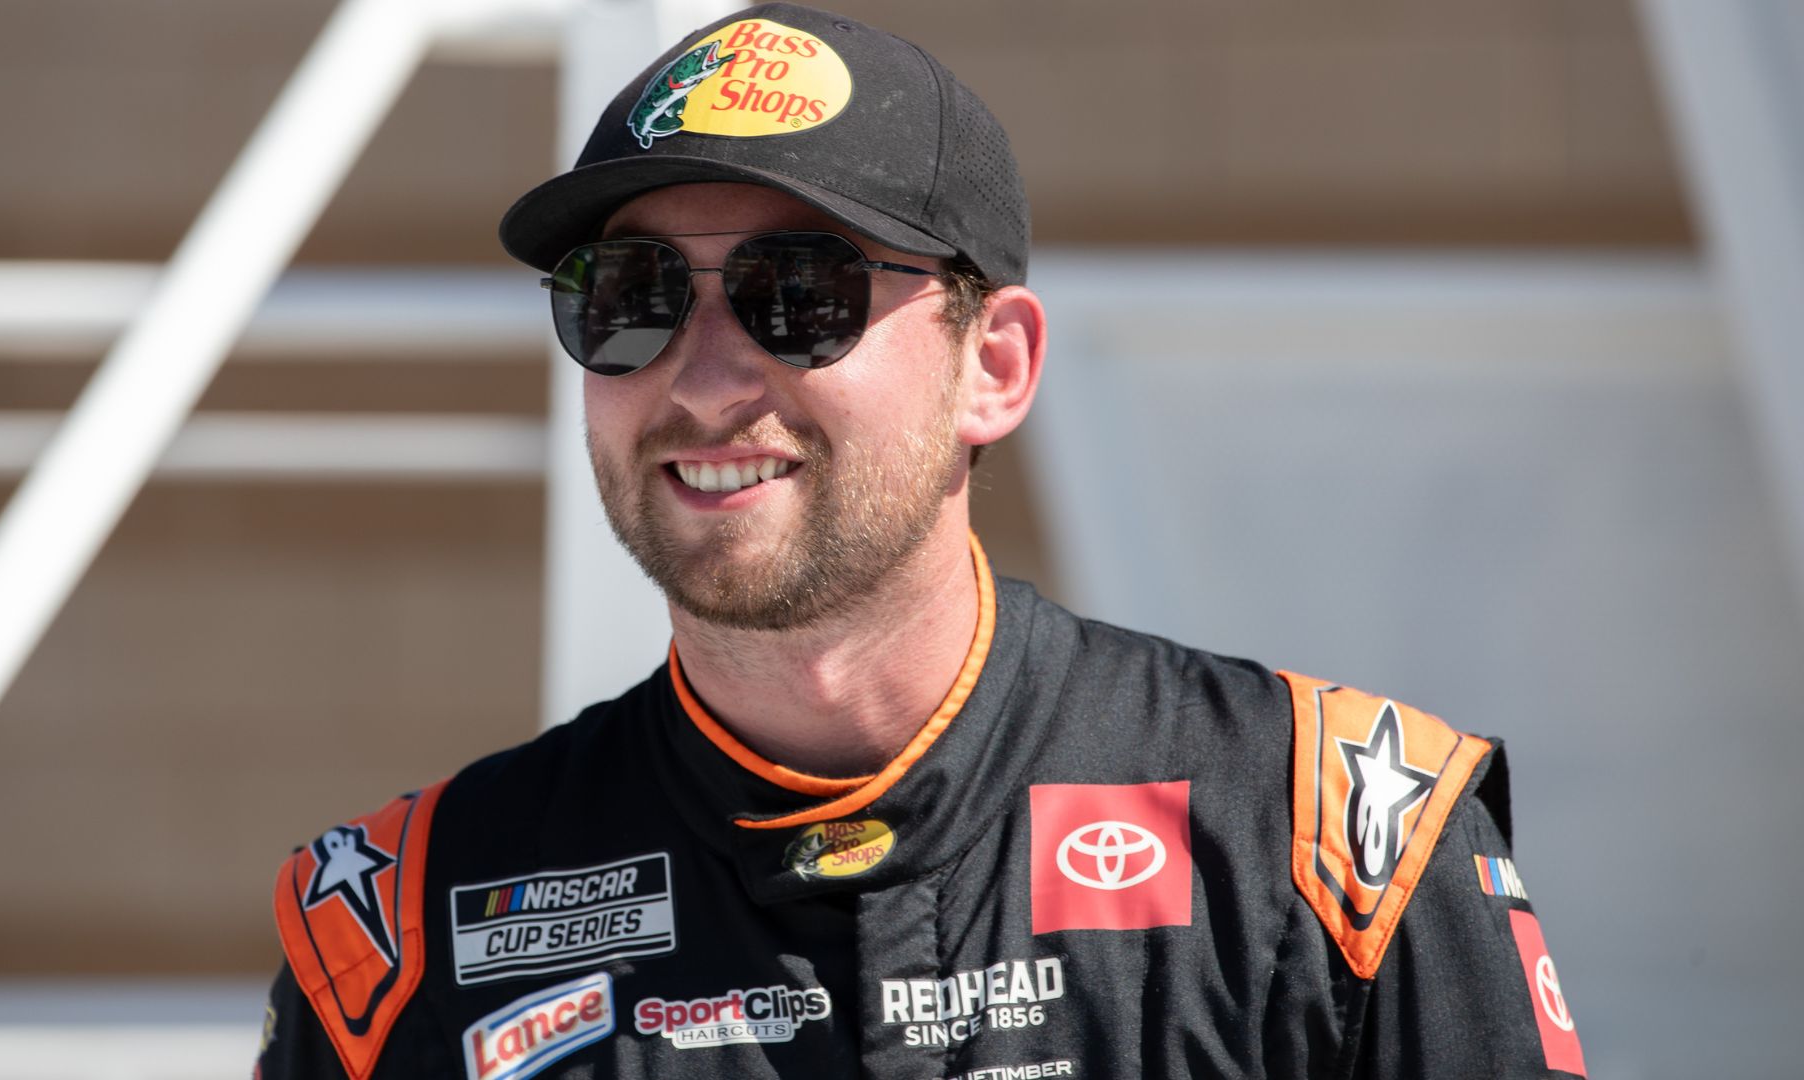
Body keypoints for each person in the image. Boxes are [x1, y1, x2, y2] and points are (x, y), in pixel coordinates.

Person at [256, 5, 1587, 1078]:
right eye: (632, 296)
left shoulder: (1329, 846)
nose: (705, 380)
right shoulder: (408, 928)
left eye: (800, 295)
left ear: (992, 366)